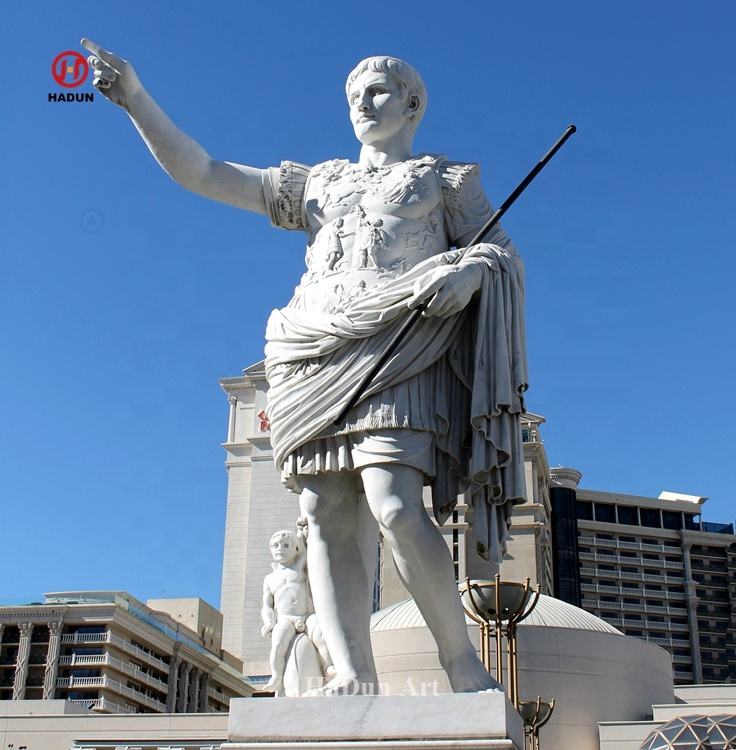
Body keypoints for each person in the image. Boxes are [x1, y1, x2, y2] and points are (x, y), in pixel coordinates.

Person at [82, 40, 528, 694]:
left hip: (399, 345)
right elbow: (205, 172)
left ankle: (461, 664)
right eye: (353, 96)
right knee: (323, 510)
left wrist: (470, 272)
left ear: (412, 105)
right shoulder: (317, 182)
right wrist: (136, 100)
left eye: (377, 92)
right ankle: (351, 672)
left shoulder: (445, 179)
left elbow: (502, 254)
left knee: (396, 505)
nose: (363, 104)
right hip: (310, 349)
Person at [261, 525, 333, 693]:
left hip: (307, 616)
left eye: (286, 545)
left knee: (321, 635)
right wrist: (269, 622)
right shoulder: (270, 579)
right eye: (275, 546)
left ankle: (329, 667)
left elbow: (308, 551)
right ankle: (276, 676)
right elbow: (267, 606)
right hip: (285, 618)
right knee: (278, 644)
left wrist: (302, 532)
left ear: (295, 549)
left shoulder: (300, 567)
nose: (280, 549)